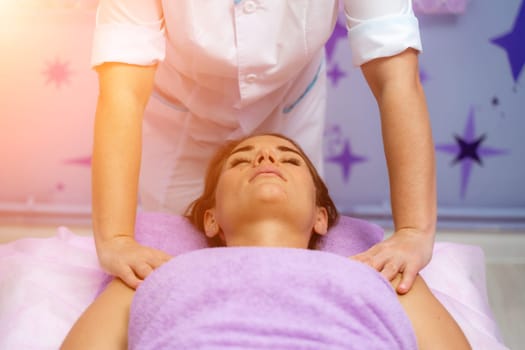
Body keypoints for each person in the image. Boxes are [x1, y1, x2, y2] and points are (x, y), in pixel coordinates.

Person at [90, 0, 436, 293]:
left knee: (295, 241)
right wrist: (116, 238)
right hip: (183, 117)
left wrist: (413, 232)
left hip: (290, 106)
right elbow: (122, 92)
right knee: (173, 261)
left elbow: (396, 81)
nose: (264, 158)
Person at [62, 134, 466, 349]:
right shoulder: (147, 273)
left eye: (289, 159)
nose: (266, 160)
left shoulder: (382, 272)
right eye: (242, 160)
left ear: (321, 217)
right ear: (211, 218)